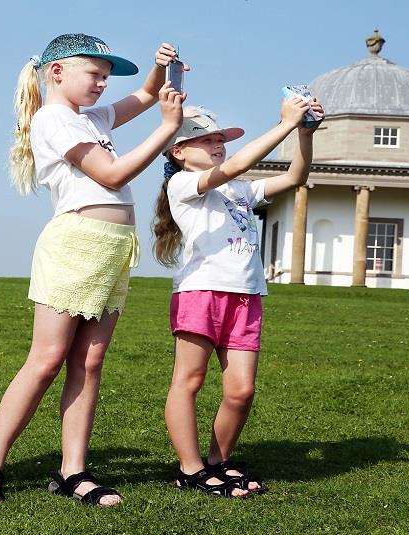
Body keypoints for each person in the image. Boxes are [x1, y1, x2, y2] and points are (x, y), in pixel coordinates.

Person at [0, 34, 184, 508]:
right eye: (95, 74)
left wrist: (159, 70)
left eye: (106, 78)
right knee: (45, 360)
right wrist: (168, 129)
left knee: (89, 362)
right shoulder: (53, 118)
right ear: (58, 71)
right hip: (76, 245)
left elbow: (143, 96)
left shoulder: (91, 117)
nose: (103, 84)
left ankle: (73, 471)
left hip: (113, 248)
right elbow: (111, 174)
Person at [152, 99, 323, 498]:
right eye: (206, 139)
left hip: (246, 296)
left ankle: (218, 461)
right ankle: (190, 468)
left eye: (220, 140)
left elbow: (296, 176)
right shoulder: (182, 185)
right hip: (201, 292)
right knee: (189, 381)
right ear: (177, 151)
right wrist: (284, 121)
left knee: (241, 391)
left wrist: (304, 133)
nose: (217, 145)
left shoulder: (240, 191)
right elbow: (237, 164)